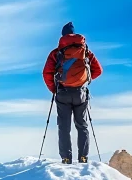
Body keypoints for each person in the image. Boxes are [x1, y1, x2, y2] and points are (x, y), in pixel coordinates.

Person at [42, 22, 103, 164]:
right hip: (81, 93)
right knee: (82, 125)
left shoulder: (56, 53)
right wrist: (84, 81)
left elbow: (47, 73)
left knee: (64, 127)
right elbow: (98, 70)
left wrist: (54, 89)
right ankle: (83, 157)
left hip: (62, 92)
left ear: (63, 36)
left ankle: (66, 158)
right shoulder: (86, 51)